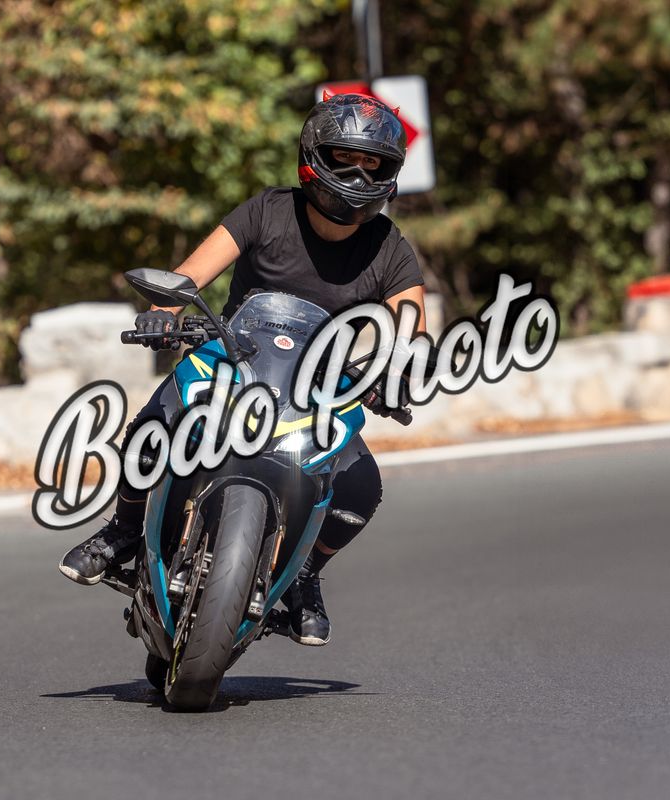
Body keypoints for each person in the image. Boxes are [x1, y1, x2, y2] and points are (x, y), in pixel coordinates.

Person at [58, 94, 428, 646]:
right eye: (344, 157)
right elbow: (188, 277)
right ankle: (123, 533)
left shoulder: (391, 248)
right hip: (232, 361)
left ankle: (303, 577)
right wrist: (164, 313)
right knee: (155, 424)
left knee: (360, 485)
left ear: (390, 173)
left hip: (317, 390)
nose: (357, 174)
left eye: (371, 162)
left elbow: (411, 330)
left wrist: (398, 371)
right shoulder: (266, 211)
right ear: (313, 156)